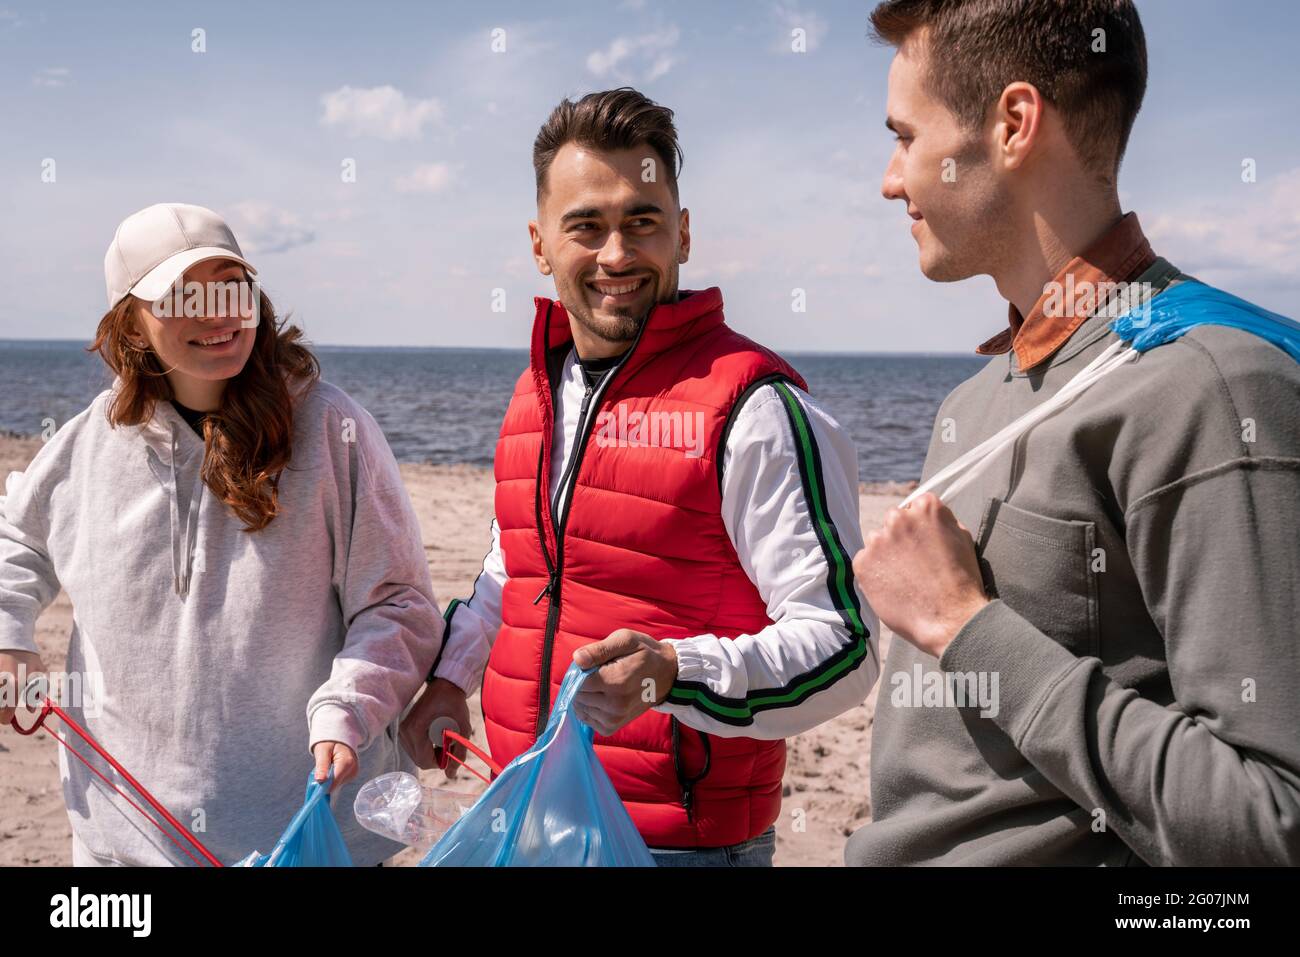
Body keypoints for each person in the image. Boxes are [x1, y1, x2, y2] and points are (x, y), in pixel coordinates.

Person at [847, 0, 1300, 865]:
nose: (890, 179)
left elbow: (1272, 820)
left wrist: (966, 625)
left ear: (1014, 124)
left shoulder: (1210, 386)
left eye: (905, 137)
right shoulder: (974, 399)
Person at [401, 88, 880, 866]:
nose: (617, 254)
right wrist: (451, 677)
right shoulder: (534, 395)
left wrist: (675, 675)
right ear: (540, 244)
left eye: (642, 221)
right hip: (524, 819)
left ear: (683, 233)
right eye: (586, 226)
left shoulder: (755, 405)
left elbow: (845, 647)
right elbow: (511, 567)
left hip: (676, 847)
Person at [0, 203, 442, 866]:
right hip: (119, 841)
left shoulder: (332, 428)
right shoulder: (87, 441)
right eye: (181, 296)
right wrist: (9, 637)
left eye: (231, 287)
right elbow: (17, 538)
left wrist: (346, 709)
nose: (216, 313)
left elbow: (398, 603)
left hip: (311, 833)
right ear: (131, 322)